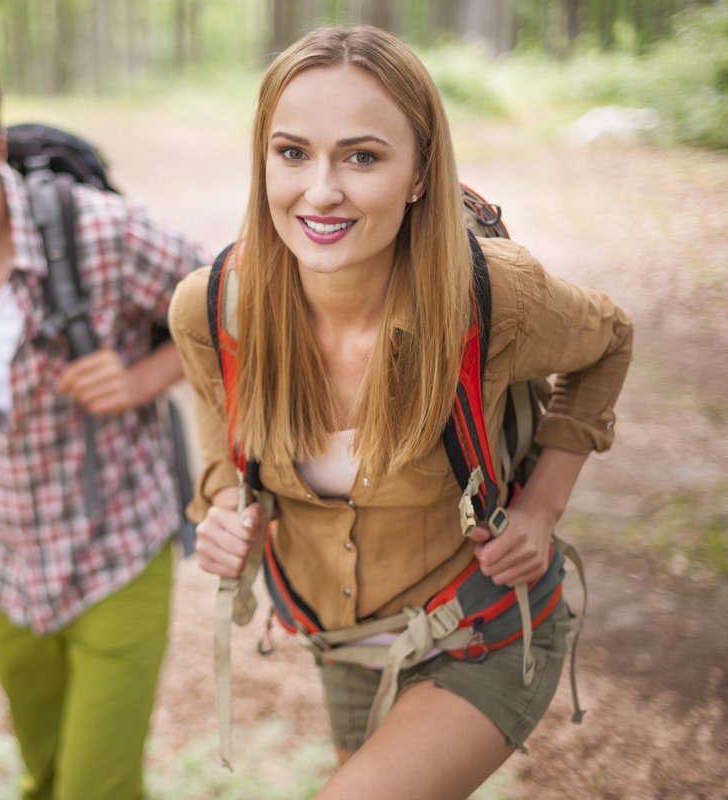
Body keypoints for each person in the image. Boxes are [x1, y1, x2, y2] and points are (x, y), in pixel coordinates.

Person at [169, 25, 633, 800]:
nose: (320, 190)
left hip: (486, 628)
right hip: (343, 649)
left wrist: (543, 507)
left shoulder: (493, 295)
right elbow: (224, 447)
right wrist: (222, 506)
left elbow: (610, 339)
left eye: (362, 156)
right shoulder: (214, 307)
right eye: (292, 153)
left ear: (420, 172)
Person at [0, 49, 209, 800]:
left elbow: (234, 302)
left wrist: (142, 379)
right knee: (45, 776)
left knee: (96, 788)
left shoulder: (100, 233)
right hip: (0, 561)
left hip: (116, 545)